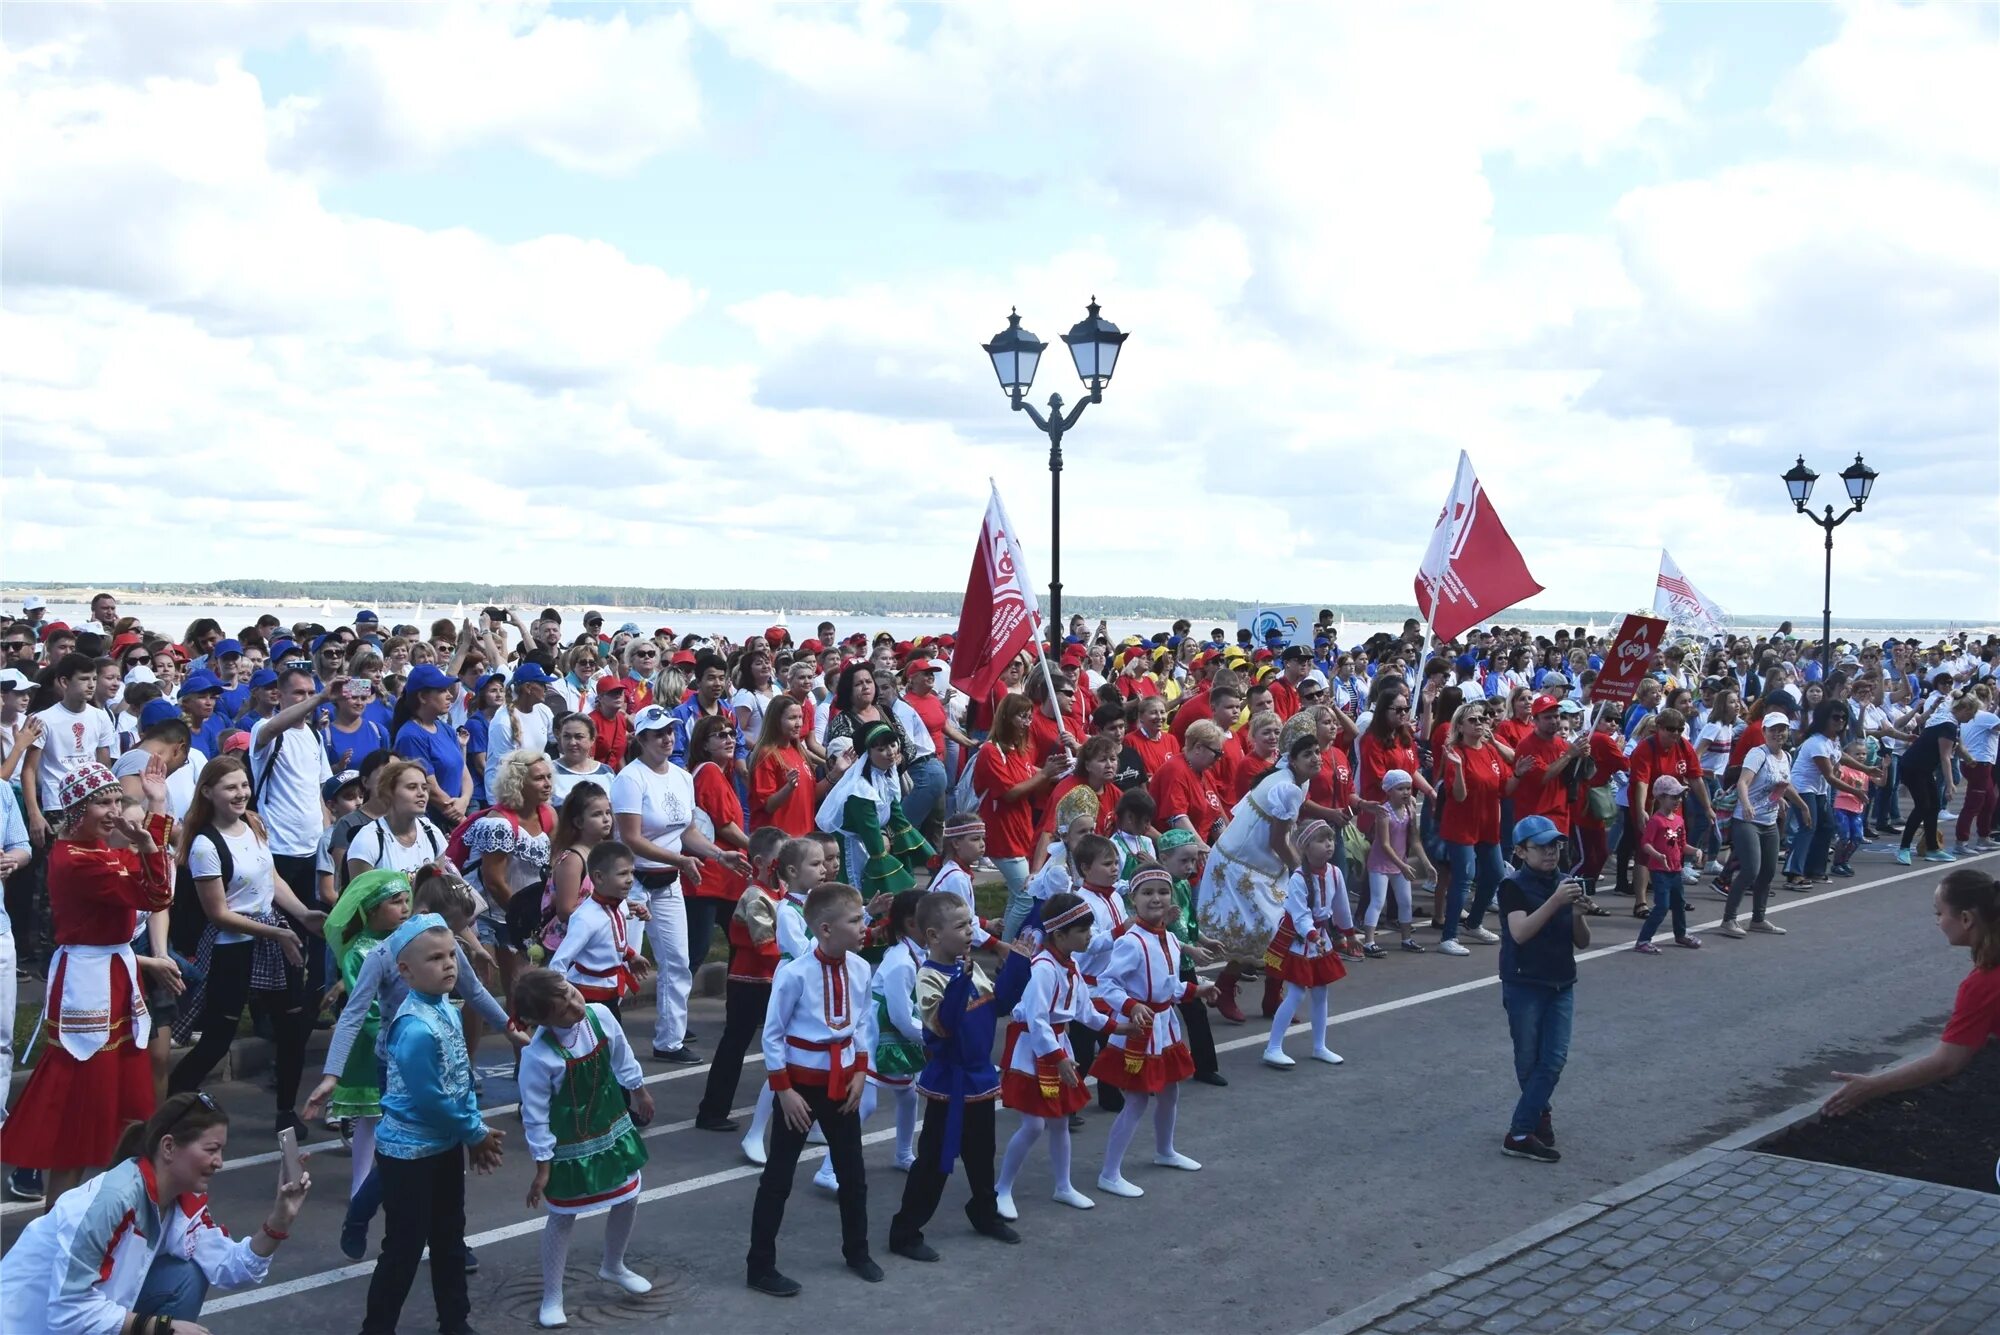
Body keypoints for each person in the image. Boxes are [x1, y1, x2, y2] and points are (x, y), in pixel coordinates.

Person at [304, 871, 516, 1262]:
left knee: (447, 1152)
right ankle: (362, 1215)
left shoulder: (446, 945)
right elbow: (352, 1016)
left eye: (453, 939)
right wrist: (331, 1075)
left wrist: (511, 1028)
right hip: (397, 1068)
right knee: (401, 1154)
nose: (449, 949)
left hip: (446, 1057)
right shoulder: (382, 955)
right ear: (422, 915)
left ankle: (451, 1241)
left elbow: (476, 992)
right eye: (447, 933)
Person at [4, 758, 174, 1209]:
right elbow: (155, 894)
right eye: (103, 802)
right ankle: (60, 1222)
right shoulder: (80, 860)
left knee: (115, 1098)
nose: (114, 810)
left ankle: (102, 1212)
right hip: (90, 983)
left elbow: (142, 880)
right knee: (82, 1105)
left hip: (113, 975)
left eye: (118, 799)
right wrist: (149, 842)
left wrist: (155, 807)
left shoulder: (96, 851)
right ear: (77, 809)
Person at [0, 1092, 309, 1330]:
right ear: (169, 1147)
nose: (220, 1162)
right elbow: (68, 1314)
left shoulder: (181, 1202)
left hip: (75, 1319)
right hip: (29, 1325)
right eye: (211, 1150)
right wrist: (162, 1327)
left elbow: (231, 1267)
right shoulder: (111, 1201)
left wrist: (281, 1217)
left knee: (186, 1275)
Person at [167, 755, 329, 1135]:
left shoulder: (254, 824)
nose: (241, 794)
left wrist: (303, 915)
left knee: (291, 1030)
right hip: (232, 946)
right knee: (218, 1038)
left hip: (273, 936)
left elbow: (270, 880)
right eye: (230, 787)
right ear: (208, 792)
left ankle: (286, 1113)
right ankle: (176, 1102)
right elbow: (219, 914)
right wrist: (279, 932)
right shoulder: (205, 845)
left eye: (243, 785)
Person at [362, 913, 507, 1335]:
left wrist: (470, 1128)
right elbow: (431, 1099)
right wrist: (475, 1132)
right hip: (409, 1154)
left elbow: (458, 1078)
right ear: (404, 972)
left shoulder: (442, 1004)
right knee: (403, 1249)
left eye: (451, 956)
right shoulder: (414, 1028)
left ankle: (455, 1323)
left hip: (443, 1145)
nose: (448, 965)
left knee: (449, 1239)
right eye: (435, 959)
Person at [745, 882, 882, 1297]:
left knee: (853, 1174)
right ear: (825, 928)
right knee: (778, 1178)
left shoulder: (860, 967)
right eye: (855, 920)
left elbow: (859, 1025)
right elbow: (772, 1035)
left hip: (843, 1084)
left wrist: (861, 1071)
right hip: (801, 1089)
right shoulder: (794, 973)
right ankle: (760, 1266)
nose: (863, 927)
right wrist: (784, 1091)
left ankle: (857, 1251)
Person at [513, 968, 656, 1330]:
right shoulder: (539, 1056)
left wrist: (638, 1089)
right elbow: (535, 1114)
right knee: (563, 1215)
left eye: (572, 993)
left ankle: (614, 1264)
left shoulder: (601, 1015)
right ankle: (552, 1295)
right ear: (543, 1020)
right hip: (569, 1143)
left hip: (610, 1126)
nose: (576, 1005)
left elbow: (622, 1055)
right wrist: (543, 1164)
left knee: (628, 1195)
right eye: (563, 1008)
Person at [888, 890, 1020, 1262]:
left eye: (971, 924)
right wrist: (960, 983)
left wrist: (1019, 965)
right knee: (934, 1160)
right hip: (952, 1083)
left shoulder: (969, 966)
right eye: (961, 926)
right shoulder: (929, 976)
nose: (970, 932)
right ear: (932, 935)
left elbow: (997, 1006)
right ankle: (906, 1230)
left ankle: (983, 1211)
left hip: (979, 1078)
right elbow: (943, 1026)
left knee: (981, 1154)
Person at [613, 705, 750, 1065]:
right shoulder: (630, 778)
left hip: (669, 881)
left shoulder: (681, 776)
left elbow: (688, 831)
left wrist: (718, 855)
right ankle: (605, 1040)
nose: (666, 738)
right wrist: (680, 859)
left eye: (670, 731)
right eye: (658, 732)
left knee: (677, 961)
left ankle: (669, 1041)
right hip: (633, 883)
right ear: (641, 739)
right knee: (619, 961)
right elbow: (631, 838)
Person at [1822, 869, 2000, 1125]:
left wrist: (1872, 1086)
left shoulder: (1984, 984)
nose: (1937, 922)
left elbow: (1946, 1062)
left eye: (1939, 913)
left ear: (1965, 919)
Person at [992, 892, 1124, 1219]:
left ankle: (1063, 1186)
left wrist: (1120, 1028)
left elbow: (1085, 1012)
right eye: (1083, 931)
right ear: (1060, 934)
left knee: (1060, 1121)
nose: (1089, 936)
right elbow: (1036, 1018)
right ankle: (1002, 1188)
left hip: (1056, 1045)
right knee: (1035, 1125)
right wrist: (1058, 1057)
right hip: (1032, 1048)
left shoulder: (1071, 965)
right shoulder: (1043, 968)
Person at [1091, 864, 1215, 1198]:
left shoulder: (1171, 939)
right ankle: (1109, 1172)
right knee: (1136, 1100)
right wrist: (1131, 1006)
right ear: (1133, 900)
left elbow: (1169, 985)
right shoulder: (1131, 942)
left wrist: (1197, 990)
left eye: (1162, 891)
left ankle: (1165, 1151)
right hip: (1140, 1031)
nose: (1156, 898)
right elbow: (1107, 983)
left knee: (1171, 1091)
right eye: (1147, 892)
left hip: (1165, 1027)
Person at [318, 869, 411, 1259]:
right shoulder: (360, 950)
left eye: (408, 900)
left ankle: (385, 1186)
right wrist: (390, 1041)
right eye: (396, 902)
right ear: (372, 910)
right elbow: (364, 1005)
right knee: (371, 1117)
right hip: (375, 1044)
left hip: (403, 1041)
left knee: (389, 1118)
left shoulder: (407, 942)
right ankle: (361, 1186)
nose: (405, 909)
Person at [1497, 816, 1590, 1163]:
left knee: (1553, 1059)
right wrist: (1555, 903)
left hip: (1561, 981)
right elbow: (1519, 933)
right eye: (1541, 847)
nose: (1551, 853)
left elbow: (1582, 941)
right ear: (1521, 851)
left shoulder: (1566, 882)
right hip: (1524, 982)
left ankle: (1520, 1131)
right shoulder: (1513, 886)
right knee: (1528, 1060)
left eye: (1555, 846)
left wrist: (1579, 914)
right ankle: (1539, 1115)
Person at [695, 825, 791, 1137]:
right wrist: (798, 962)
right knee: (735, 1044)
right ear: (762, 861)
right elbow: (766, 946)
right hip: (748, 982)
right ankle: (712, 1110)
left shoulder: (782, 893)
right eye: (783, 857)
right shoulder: (755, 896)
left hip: (770, 980)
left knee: (786, 1043)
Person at [976, 694, 1068, 939]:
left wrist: (1055, 771)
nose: (1027, 722)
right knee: (1026, 898)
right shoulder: (990, 751)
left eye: (1029, 716)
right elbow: (1009, 793)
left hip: (1020, 831)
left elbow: (1031, 776)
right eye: (1021, 716)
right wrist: (1044, 774)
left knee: (1017, 897)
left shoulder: (1020, 751)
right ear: (1006, 717)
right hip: (1002, 834)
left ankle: (1001, 943)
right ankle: (1005, 951)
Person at [1262, 819, 1351, 1067]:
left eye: (1330, 839)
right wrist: (1313, 936)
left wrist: (1349, 933)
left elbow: (1341, 906)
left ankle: (1319, 1046)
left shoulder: (1335, 872)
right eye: (1321, 841)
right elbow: (1299, 915)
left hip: (1319, 939)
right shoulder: (1298, 878)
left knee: (1321, 992)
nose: (1329, 845)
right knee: (1296, 994)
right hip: (1298, 940)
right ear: (1305, 848)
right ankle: (1273, 1047)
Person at [816, 720, 931, 897]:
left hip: (871, 840)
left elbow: (898, 819)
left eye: (893, 745)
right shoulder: (861, 791)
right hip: (852, 847)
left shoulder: (885, 778)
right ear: (868, 754)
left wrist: (930, 857)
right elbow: (871, 835)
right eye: (881, 749)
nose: (891, 752)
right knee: (859, 894)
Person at [1721, 713, 1805, 939]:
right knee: (1750, 870)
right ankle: (1728, 919)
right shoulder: (1758, 754)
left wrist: (1800, 805)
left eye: (1782, 729)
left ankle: (1758, 919)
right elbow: (1743, 782)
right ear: (1765, 732)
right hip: (1747, 820)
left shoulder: (1785, 756)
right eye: (1773, 729)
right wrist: (1746, 804)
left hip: (1769, 821)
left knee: (1768, 872)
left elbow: (1783, 785)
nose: (1778, 734)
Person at [548, 842, 654, 1011]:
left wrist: (630, 955)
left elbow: (608, 940)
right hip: (588, 997)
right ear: (599, 877)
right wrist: (567, 998)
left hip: (610, 993)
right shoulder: (586, 918)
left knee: (613, 1036)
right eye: (622, 874)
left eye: (632, 872)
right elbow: (558, 963)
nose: (630, 880)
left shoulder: (617, 906)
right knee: (594, 1037)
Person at [1437, 701, 1507, 955]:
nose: (1480, 723)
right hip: (1462, 826)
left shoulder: (1490, 750)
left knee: (1496, 874)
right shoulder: (1456, 752)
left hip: (1488, 824)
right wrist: (1456, 767)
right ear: (1460, 726)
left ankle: (1474, 923)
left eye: (1483, 719)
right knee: (1464, 879)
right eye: (1473, 720)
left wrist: (1519, 774)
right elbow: (1460, 796)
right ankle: (1449, 936)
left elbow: (1505, 787)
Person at [1785, 701, 1861, 885]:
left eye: (1843, 717)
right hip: (1802, 788)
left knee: (1827, 826)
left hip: (1817, 790)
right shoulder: (1816, 742)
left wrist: (1867, 768)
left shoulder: (1832, 741)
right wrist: (1856, 791)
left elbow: (1841, 756)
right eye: (1835, 717)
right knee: (1807, 827)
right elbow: (1829, 776)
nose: (1840, 721)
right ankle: (1793, 872)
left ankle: (1814, 870)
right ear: (1824, 719)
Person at [390, 662, 472, 828]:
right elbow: (431, 790)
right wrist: (464, 821)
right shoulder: (410, 736)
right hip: (431, 825)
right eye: (442, 691)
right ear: (422, 697)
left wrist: (463, 802)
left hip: (457, 816)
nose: (449, 695)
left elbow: (464, 773)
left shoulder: (446, 729)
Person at [343, 758, 449, 879]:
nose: (421, 793)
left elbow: (440, 890)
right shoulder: (367, 841)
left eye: (424, 787)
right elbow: (360, 896)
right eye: (412, 787)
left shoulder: (432, 833)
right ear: (389, 792)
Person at [1898, 695, 1973, 865]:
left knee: (1934, 806)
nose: (1971, 718)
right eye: (1971, 714)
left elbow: (1956, 749)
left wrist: (1969, 759)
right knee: (1923, 806)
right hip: (1913, 766)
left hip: (1924, 768)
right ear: (1963, 710)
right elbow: (1945, 757)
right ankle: (1903, 848)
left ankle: (1932, 848)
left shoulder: (1949, 721)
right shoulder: (1948, 725)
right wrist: (1949, 784)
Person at [1633, 776, 1700, 954]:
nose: (1678, 800)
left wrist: (1695, 851)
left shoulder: (1679, 820)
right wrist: (1657, 854)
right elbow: (1645, 844)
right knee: (1662, 906)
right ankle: (1643, 940)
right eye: (1673, 797)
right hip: (1660, 871)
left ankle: (1681, 934)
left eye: (1679, 796)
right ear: (1661, 798)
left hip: (1675, 870)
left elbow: (1682, 845)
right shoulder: (1656, 821)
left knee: (1678, 904)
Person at [550, 712, 615, 805]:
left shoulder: (606, 772)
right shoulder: (549, 771)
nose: (572, 742)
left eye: (579, 737)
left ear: (592, 739)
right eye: (567, 736)